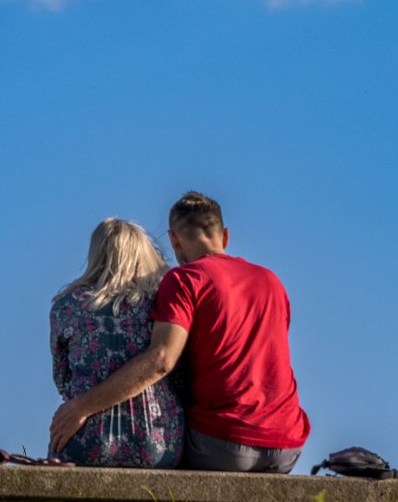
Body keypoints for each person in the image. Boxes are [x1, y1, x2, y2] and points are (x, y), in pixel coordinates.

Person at [50, 191, 309, 473]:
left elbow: (162, 360)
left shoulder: (185, 279)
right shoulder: (271, 281)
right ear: (225, 236)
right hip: (287, 444)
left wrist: (82, 407)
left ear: (174, 239)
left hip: (222, 442)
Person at [49, 218, 185, 467]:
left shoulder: (66, 306)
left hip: (84, 437)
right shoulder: (161, 303)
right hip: (157, 440)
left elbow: (62, 378)